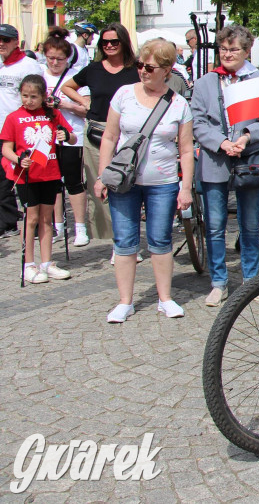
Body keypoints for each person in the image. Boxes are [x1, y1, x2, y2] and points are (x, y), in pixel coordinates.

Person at [94, 39, 193, 323]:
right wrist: (102, 175)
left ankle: (165, 298)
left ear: (167, 70)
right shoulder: (124, 94)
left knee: (160, 240)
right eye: (140, 65)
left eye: (149, 67)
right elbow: (110, 137)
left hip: (162, 183)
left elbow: (186, 149)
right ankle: (125, 301)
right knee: (125, 241)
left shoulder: (178, 104)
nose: (143, 71)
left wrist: (186, 187)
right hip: (125, 181)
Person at [191, 28, 259, 307]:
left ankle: (251, 279)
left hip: (249, 158)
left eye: (234, 49)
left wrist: (246, 136)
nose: (227, 54)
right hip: (216, 158)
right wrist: (222, 142)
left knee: (249, 224)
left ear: (247, 51)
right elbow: (198, 123)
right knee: (215, 225)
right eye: (223, 49)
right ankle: (219, 282)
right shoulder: (205, 82)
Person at [61, 22, 140, 244]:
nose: (109, 45)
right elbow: (67, 86)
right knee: (101, 184)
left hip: (127, 133)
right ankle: (115, 240)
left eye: (114, 41)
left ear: (123, 43)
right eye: (105, 42)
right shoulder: (94, 69)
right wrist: (83, 101)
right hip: (97, 131)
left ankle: (127, 238)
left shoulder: (135, 69)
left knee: (128, 185)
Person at [1, 74, 76, 282]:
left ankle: (46, 262)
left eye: (33, 96)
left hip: (49, 172)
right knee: (31, 219)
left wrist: (66, 136)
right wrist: (18, 159)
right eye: (25, 96)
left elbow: (72, 137)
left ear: (43, 96)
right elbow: (6, 149)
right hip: (27, 176)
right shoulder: (13, 118)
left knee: (46, 219)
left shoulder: (52, 114)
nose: (29, 101)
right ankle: (28, 265)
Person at [41, 31, 90, 247]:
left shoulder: (76, 77)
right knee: (52, 182)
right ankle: (57, 225)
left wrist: (64, 105)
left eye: (59, 59)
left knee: (73, 182)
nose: (54, 63)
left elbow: (87, 109)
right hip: (46, 137)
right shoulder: (40, 75)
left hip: (73, 135)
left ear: (67, 58)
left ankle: (80, 227)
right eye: (50, 58)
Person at [1, 23, 44, 238]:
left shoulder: (29, 65)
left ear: (15, 42)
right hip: (3, 128)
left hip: (24, 129)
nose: (1, 43)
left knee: (29, 177)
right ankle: (8, 222)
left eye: (5, 40)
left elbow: (39, 94)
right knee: (3, 179)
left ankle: (37, 224)